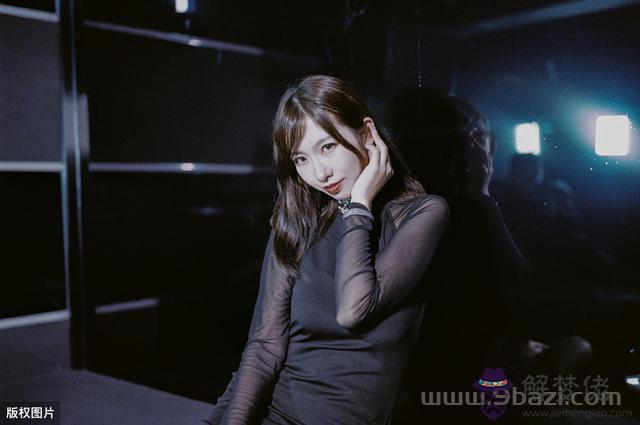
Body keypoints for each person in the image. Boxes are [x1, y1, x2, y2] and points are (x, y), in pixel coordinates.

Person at [202, 75, 449, 425]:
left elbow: (354, 309)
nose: (320, 173)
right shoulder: (298, 222)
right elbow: (264, 347)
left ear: (367, 133)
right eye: (301, 159)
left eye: (327, 147)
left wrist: (358, 205)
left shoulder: (423, 214)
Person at [396, 95, 592, 424]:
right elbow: (515, 285)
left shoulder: (438, 204)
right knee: (577, 350)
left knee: (573, 350)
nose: (487, 149)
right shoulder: (454, 210)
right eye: (476, 137)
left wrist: (511, 348)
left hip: (453, 373)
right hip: (460, 387)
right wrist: (483, 196)